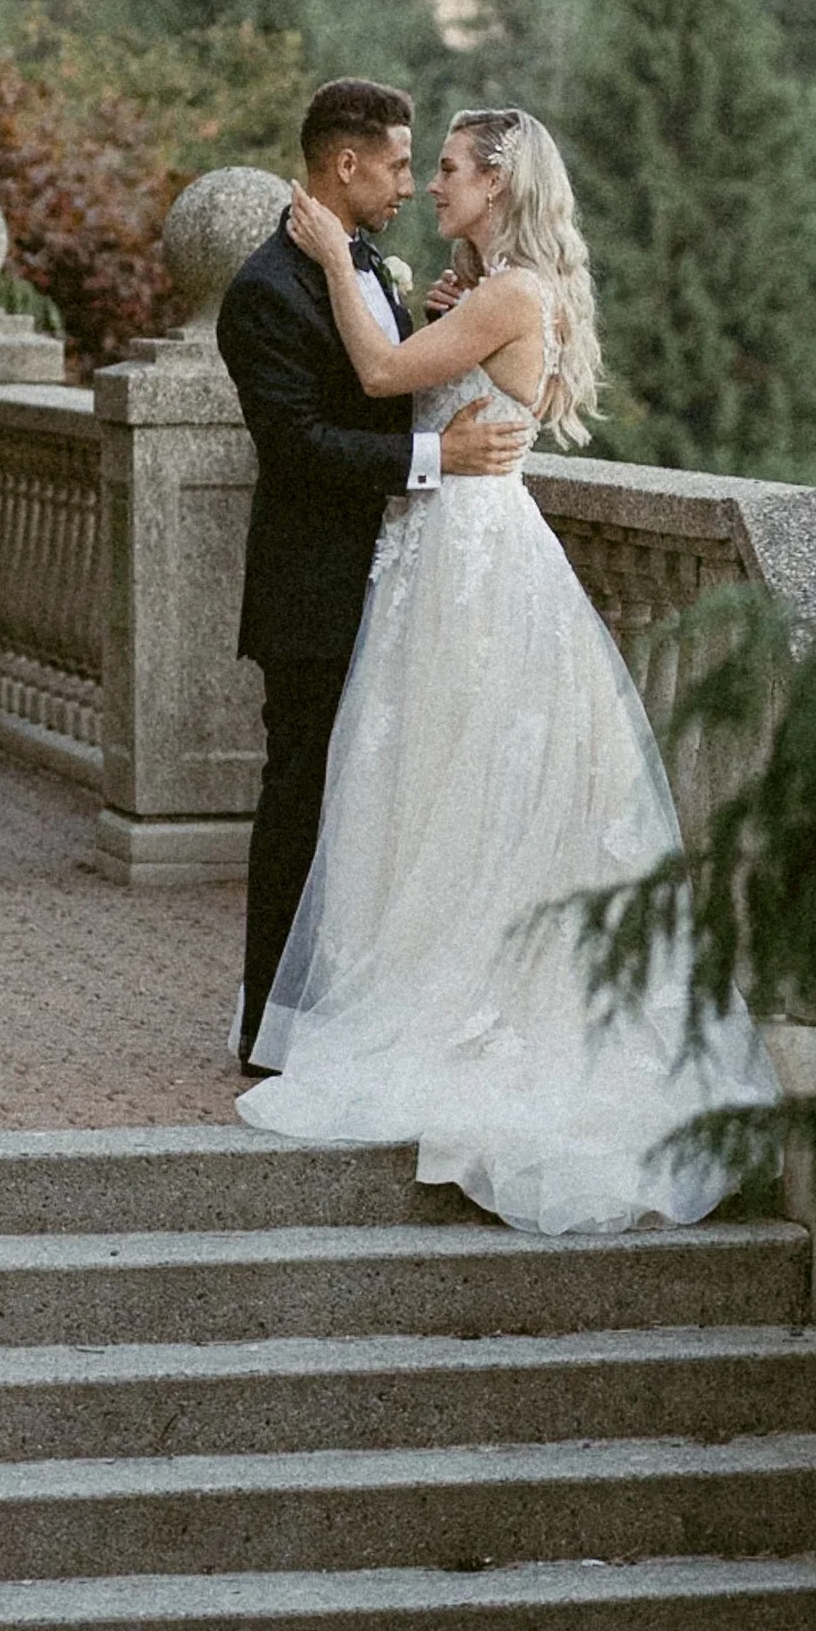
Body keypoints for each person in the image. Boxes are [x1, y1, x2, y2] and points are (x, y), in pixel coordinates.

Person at [237, 102, 777, 1231]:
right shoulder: (481, 292)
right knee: (428, 784)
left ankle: (472, 1007)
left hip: (474, 560)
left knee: (476, 781)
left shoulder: (507, 294)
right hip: (435, 556)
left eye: (446, 170)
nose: (429, 184)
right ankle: (411, 981)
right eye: (415, 167)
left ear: (500, 183)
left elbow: (383, 375)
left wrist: (338, 256)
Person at [217, 80, 531, 1071]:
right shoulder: (264, 291)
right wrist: (444, 459)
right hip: (313, 588)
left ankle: (351, 1002)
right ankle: (271, 1025)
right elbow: (302, 444)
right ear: (343, 165)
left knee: (384, 804)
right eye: (398, 164)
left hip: (406, 581)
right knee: (302, 800)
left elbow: (397, 380)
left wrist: (436, 328)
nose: (408, 183)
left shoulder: (371, 269)